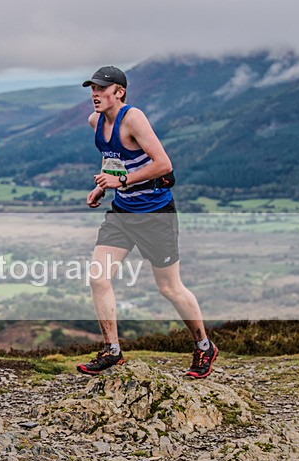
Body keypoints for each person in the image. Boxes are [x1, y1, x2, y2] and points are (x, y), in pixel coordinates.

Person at [78, 66, 218, 379]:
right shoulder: (95, 122)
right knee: (98, 278)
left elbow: (163, 164)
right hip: (122, 212)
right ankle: (112, 350)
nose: (95, 94)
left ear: (120, 92)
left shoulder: (133, 118)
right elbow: (113, 158)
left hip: (155, 213)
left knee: (169, 288)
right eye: (93, 89)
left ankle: (204, 345)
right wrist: (102, 186)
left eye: (102, 89)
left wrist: (121, 180)